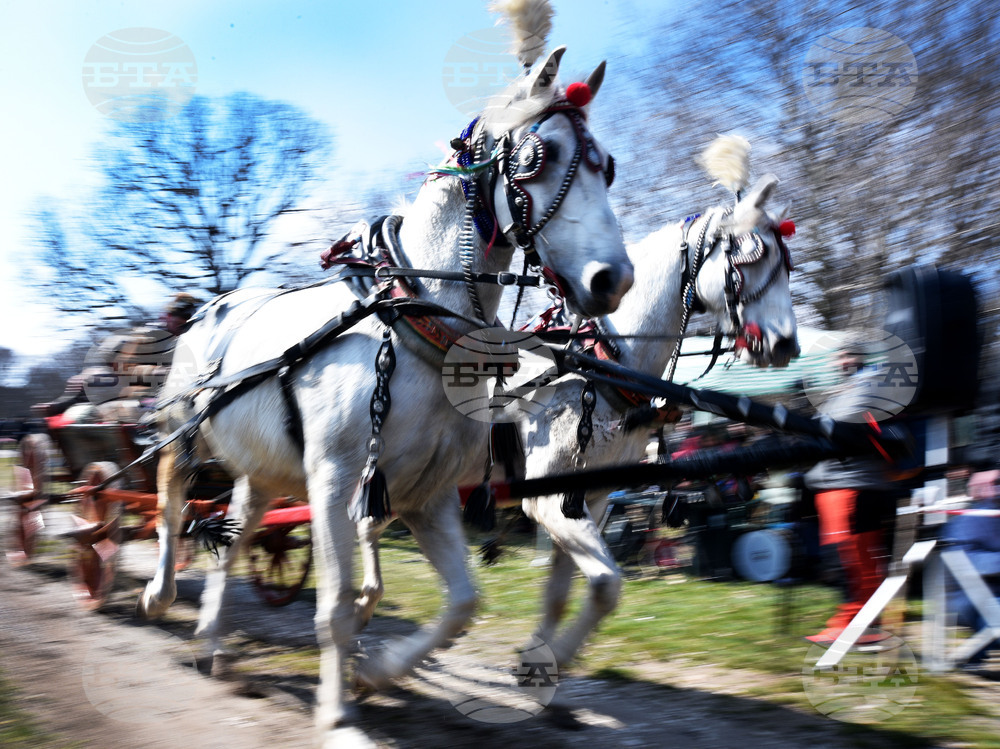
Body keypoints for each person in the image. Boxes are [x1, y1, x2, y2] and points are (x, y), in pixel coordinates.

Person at [803, 344, 906, 644]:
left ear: (862, 358)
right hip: (840, 486)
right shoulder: (841, 391)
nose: (844, 361)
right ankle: (864, 621)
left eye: (850, 355)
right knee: (851, 557)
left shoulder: (869, 386)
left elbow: (839, 425)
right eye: (840, 356)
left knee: (852, 557)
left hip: (854, 485)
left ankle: (856, 624)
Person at [36, 293, 201, 423]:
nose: (182, 327)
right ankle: (62, 406)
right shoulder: (147, 336)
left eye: (186, 323)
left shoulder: (188, 341)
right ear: (167, 317)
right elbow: (124, 367)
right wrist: (164, 372)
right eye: (179, 322)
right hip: (123, 384)